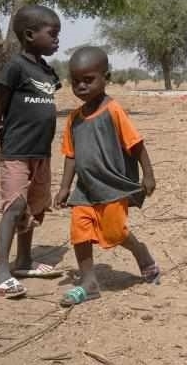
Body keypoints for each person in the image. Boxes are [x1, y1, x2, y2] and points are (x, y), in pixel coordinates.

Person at [55, 46, 159, 306]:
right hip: (85, 189)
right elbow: (71, 155)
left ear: (106, 78)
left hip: (112, 186)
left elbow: (136, 144)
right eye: (75, 81)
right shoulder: (74, 119)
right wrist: (65, 187)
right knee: (79, 232)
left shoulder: (113, 110)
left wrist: (148, 174)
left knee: (115, 233)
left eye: (88, 80)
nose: (81, 86)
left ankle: (140, 251)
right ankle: (88, 283)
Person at [0, 5, 65, 299]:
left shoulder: (47, 71)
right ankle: (1, 272)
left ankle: (24, 261)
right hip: (16, 151)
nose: (57, 40)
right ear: (29, 35)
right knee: (14, 207)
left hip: (42, 152)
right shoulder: (15, 67)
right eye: (52, 34)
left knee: (34, 207)